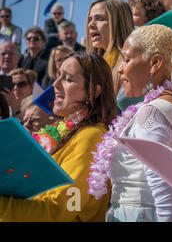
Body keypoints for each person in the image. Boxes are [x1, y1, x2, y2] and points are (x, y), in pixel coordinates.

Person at [88, 24, 172, 222]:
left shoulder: (152, 113)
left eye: (126, 59)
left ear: (155, 63)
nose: (119, 69)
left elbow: (167, 200)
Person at [0, 52, 117, 221]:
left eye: (67, 79)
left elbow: (62, 209)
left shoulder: (91, 136)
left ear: (93, 90)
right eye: (58, 76)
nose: (55, 84)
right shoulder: (66, 131)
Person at [85, 0, 134, 94]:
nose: (91, 25)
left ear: (119, 22)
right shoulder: (93, 66)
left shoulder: (133, 62)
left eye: (100, 19)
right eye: (90, 20)